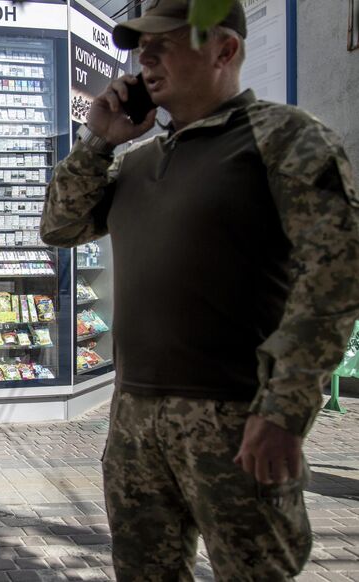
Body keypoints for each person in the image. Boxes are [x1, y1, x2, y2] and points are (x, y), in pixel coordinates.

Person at [41, 1, 359, 579]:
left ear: (225, 49)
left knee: (254, 571)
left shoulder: (285, 138)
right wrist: (97, 142)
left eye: (165, 42)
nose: (146, 56)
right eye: (141, 45)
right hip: (134, 416)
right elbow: (60, 228)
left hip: (237, 418)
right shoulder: (137, 162)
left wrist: (285, 412)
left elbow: (336, 279)